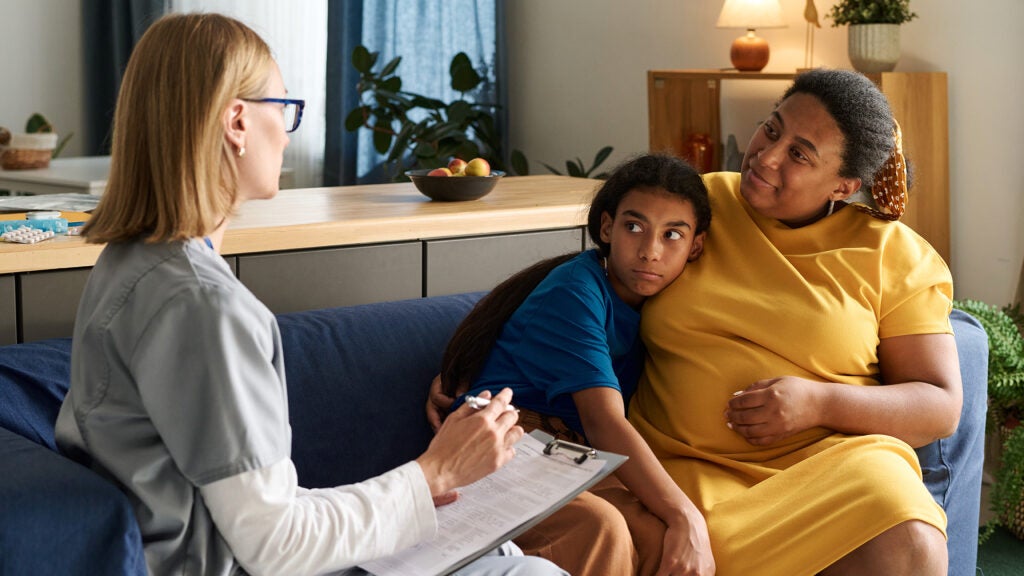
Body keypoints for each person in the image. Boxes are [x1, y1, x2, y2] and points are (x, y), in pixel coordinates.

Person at [53, 13, 565, 576]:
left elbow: (251, 512)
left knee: (500, 555)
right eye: (285, 109)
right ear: (237, 122)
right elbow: (275, 546)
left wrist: (416, 493)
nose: (289, 130)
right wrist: (435, 472)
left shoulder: (128, 265)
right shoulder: (202, 306)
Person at [614, 68, 962, 575]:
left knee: (911, 540)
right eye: (772, 129)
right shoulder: (698, 204)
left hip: (831, 472)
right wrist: (475, 362)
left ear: (845, 184)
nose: (766, 156)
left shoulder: (897, 256)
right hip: (678, 473)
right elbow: (590, 283)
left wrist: (820, 402)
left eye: (800, 154)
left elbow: (939, 404)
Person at [429, 153, 716, 575]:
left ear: (696, 246)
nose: (650, 251)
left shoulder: (670, 305)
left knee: (659, 540)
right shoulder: (576, 290)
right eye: (634, 227)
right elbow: (604, 422)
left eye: (672, 234)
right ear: (606, 228)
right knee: (603, 529)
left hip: (572, 458)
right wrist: (685, 516)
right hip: (504, 450)